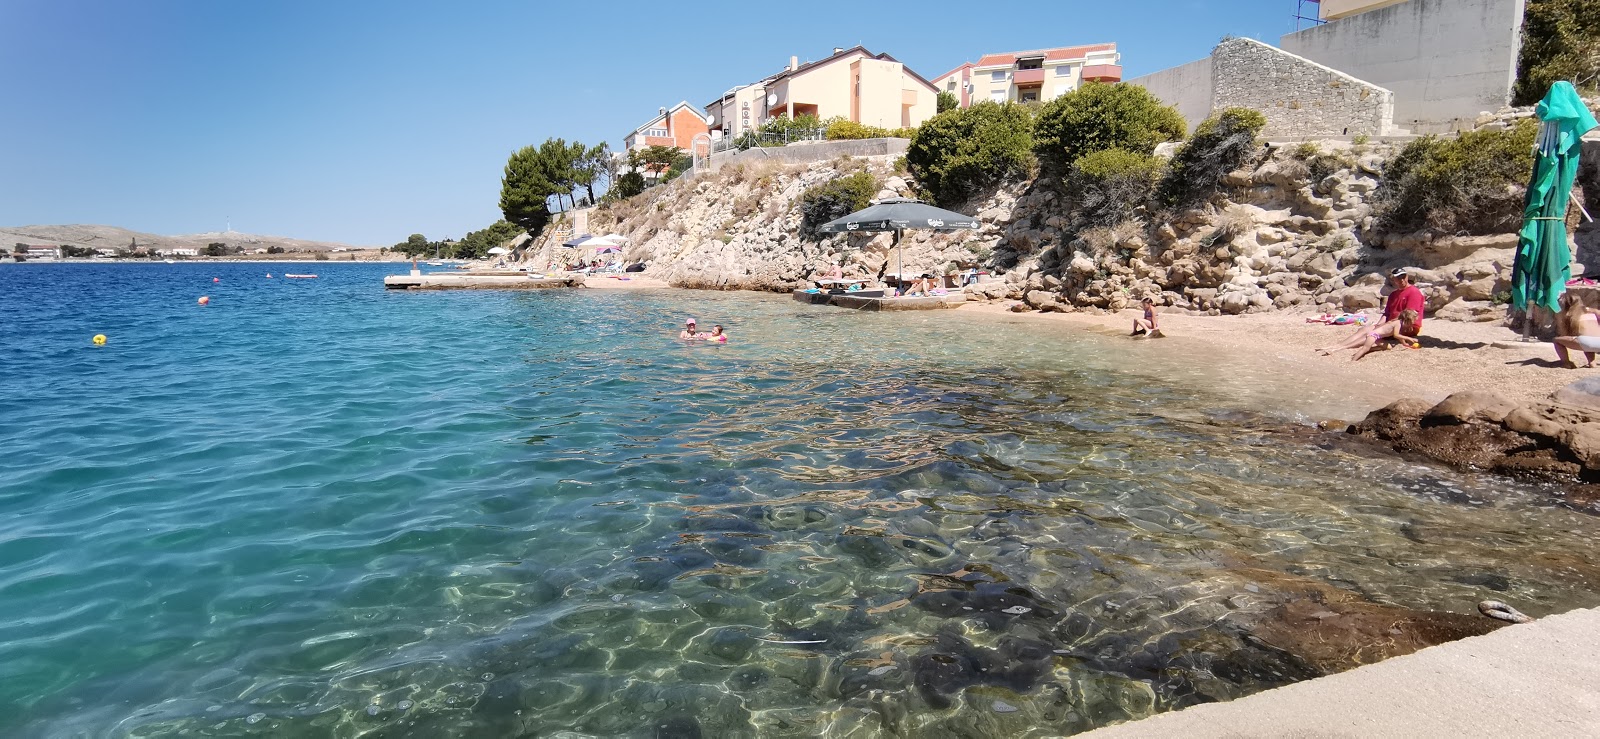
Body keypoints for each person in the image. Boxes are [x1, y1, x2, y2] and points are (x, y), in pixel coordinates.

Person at [1317, 309, 1421, 361]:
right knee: (1364, 349)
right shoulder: (1398, 323)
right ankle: (1352, 361)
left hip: (1377, 337)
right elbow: (1396, 335)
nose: (1414, 322)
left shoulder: (1399, 323)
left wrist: (1405, 344)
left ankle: (1364, 352)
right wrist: (1409, 338)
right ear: (1408, 319)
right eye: (1413, 320)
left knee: (1388, 347)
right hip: (1373, 335)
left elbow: (1398, 337)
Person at [1553, 292, 1600, 368]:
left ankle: (1566, 363)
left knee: (1557, 340)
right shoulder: (1592, 313)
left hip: (1586, 342)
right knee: (1586, 339)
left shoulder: (1569, 316)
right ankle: (1592, 363)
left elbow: (1565, 334)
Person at [1382, 268, 1425, 338]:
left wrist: (1388, 324)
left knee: (1374, 333)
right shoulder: (1393, 295)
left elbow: (1409, 315)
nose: (1401, 280)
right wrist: (1379, 324)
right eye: (1398, 278)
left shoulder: (1413, 292)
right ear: (1394, 280)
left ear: (1407, 276)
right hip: (1392, 324)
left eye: (1403, 277)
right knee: (1366, 330)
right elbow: (1386, 314)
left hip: (1407, 326)